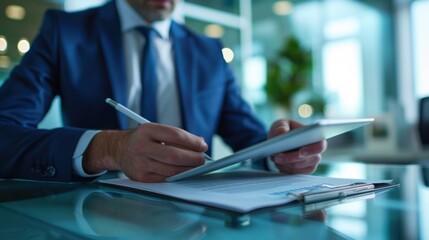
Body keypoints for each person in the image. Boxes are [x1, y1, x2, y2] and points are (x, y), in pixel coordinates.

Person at [0, 0, 326, 183]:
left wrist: (282, 153)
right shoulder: (65, 32)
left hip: (199, 219)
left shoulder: (208, 52)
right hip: (93, 218)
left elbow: (248, 137)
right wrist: (108, 149)